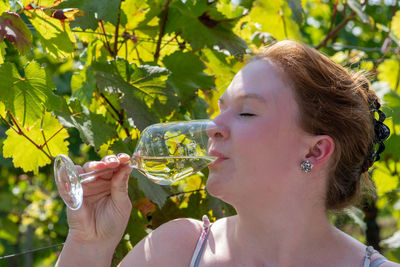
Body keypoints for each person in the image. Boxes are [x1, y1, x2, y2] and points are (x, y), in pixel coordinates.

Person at [55, 40, 397, 267]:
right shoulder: (175, 251)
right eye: (220, 110)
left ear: (316, 150)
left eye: (246, 112)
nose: (211, 127)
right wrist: (89, 243)